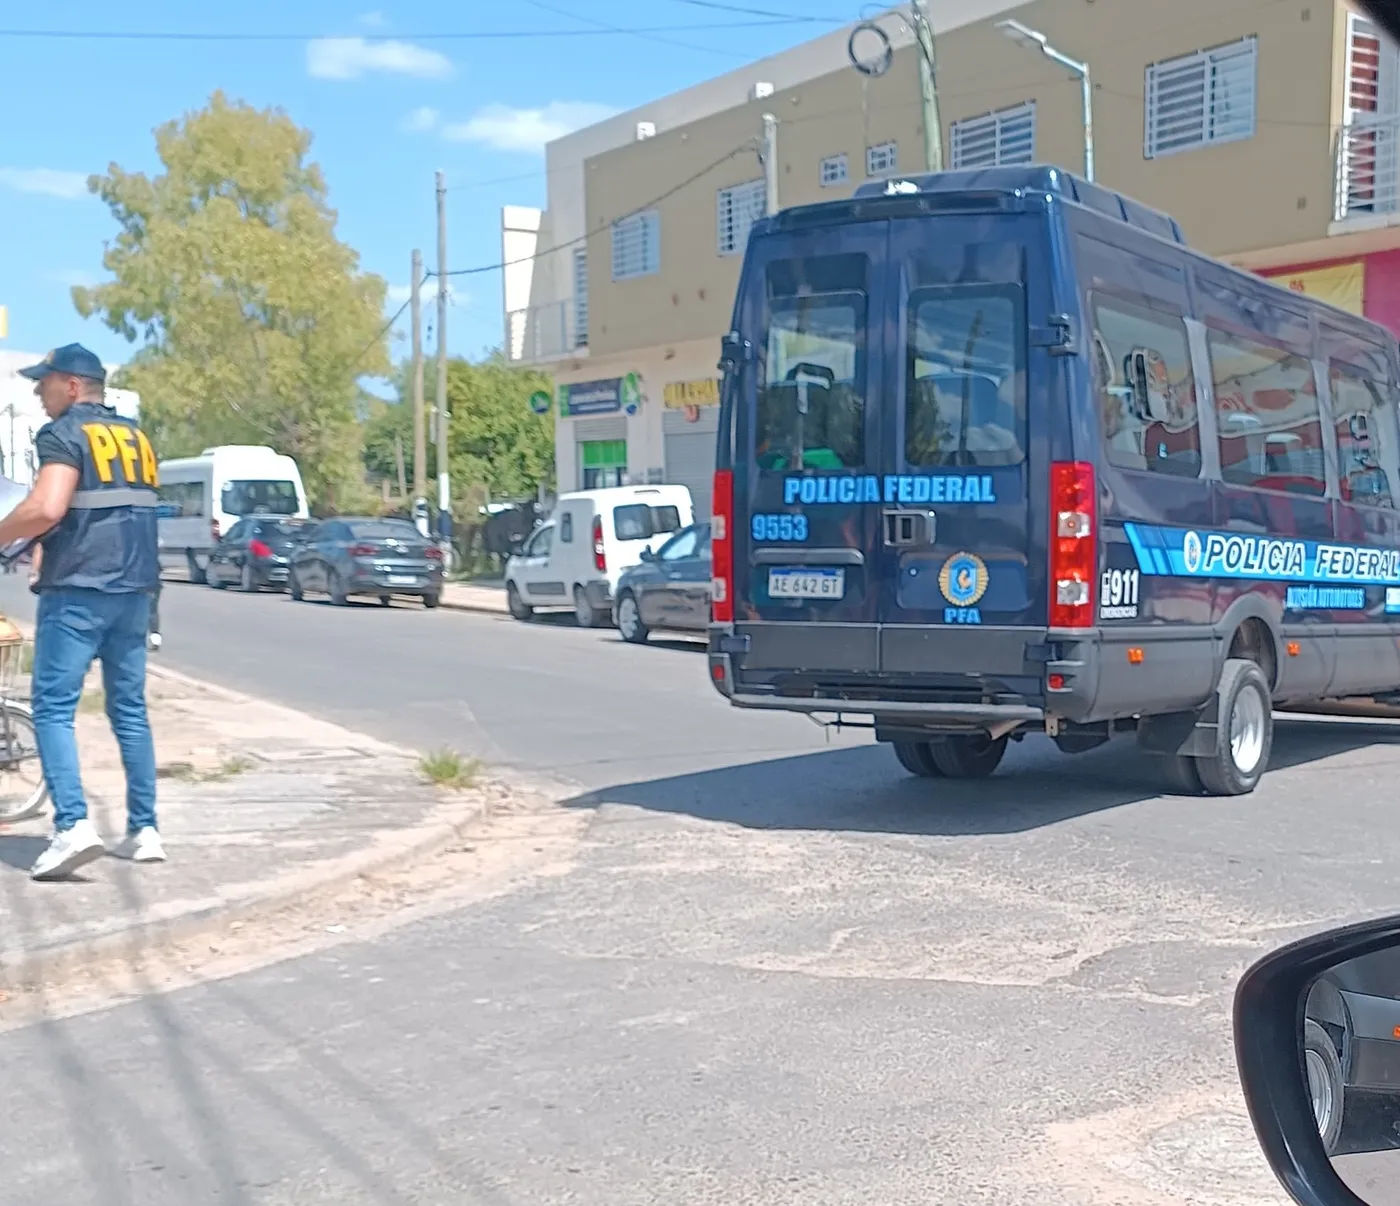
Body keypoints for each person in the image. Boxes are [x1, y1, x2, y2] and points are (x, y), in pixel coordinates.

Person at [0, 344, 164, 879]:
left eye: (43, 382)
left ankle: (72, 827)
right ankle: (145, 830)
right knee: (130, 711)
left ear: (72, 385)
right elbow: (103, 513)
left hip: (78, 593)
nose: (36, 391)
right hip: (136, 592)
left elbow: (47, 506)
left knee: (51, 708)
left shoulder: (64, 433)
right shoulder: (136, 437)